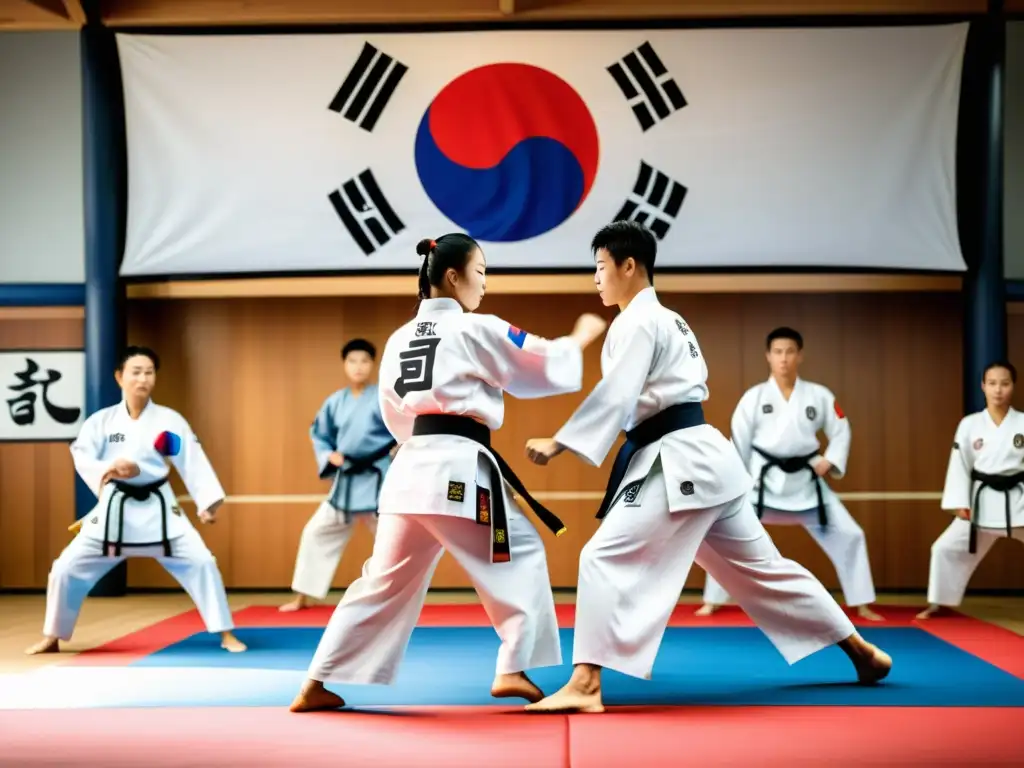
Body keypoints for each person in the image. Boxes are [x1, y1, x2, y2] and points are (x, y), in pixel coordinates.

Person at [522, 220, 891, 714]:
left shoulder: (637, 321)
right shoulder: (672, 319)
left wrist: (561, 442)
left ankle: (587, 683)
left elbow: (618, 394)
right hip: (709, 460)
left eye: (600, 267)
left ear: (628, 266)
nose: (595, 278)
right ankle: (860, 651)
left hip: (679, 466)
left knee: (601, 558)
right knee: (766, 571)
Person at [289, 233, 608, 713]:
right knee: (518, 554)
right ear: (454, 277)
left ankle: (317, 680)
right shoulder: (473, 328)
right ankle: (511, 667)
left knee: (382, 581)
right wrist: (581, 338)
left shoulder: (399, 339)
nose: (484, 285)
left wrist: (413, 442)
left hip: (408, 471)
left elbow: (393, 412)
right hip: (458, 471)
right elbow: (537, 359)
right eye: (480, 273)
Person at [25, 346, 246, 655]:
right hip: (114, 506)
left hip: (159, 506)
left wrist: (207, 504)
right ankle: (53, 636)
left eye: (149, 372)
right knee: (65, 568)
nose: (143, 378)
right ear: (120, 377)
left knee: (203, 562)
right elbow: (82, 455)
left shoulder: (169, 421)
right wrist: (110, 469)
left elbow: (190, 458)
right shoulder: (101, 422)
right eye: (136, 372)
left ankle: (225, 633)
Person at [698, 327, 882, 621]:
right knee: (727, 535)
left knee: (850, 534)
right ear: (768, 357)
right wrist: (737, 483)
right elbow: (740, 441)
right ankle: (713, 600)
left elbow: (840, 429)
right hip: (763, 484)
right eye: (778, 352)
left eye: (790, 351)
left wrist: (830, 460)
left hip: (807, 483)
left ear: (800, 355)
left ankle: (861, 602)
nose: (784, 358)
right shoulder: (754, 397)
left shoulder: (819, 395)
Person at [280, 339, 396, 612]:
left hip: (377, 477)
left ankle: (392, 597)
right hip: (346, 480)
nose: (358, 367)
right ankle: (303, 596)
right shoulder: (335, 401)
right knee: (315, 533)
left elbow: (401, 431)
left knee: (391, 539)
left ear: (373, 365)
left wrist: (396, 452)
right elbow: (319, 435)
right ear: (344, 365)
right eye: (353, 361)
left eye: (364, 361)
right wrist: (328, 455)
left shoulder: (383, 397)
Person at [917, 361, 1024, 620]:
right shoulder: (970, 424)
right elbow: (960, 464)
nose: (998, 390)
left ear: (1013, 386)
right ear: (983, 387)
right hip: (982, 501)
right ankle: (940, 604)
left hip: (1019, 500)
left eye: (1005, 383)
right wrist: (959, 501)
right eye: (992, 383)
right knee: (944, 548)